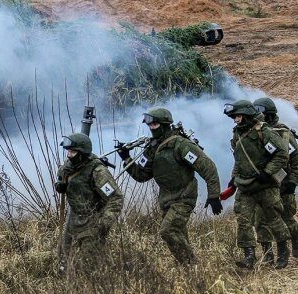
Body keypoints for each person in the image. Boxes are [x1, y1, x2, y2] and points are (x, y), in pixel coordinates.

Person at [117, 107, 222, 265]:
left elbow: (208, 168)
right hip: (166, 199)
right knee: (178, 233)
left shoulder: (181, 145)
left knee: (168, 230)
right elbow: (141, 175)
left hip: (184, 197)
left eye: (155, 125)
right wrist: (126, 158)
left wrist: (214, 195)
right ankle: (188, 269)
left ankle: (191, 264)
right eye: (150, 125)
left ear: (164, 124)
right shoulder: (152, 148)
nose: (152, 128)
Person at [224, 100, 291, 269]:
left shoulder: (265, 132)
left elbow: (282, 154)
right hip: (245, 186)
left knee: (274, 219)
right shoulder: (237, 134)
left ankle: (283, 252)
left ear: (247, 114)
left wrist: (267, 172)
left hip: (265, 185)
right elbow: (239, 160)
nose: (236, 120)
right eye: (234, 117)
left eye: (238, 116)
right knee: (243, 220)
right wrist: (233, 179)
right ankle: (249, 256)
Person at [55, 133, 123, 271]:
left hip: (93, 219)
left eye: (73, 152)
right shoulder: (69, 166)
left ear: (82, 153)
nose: (69, 155)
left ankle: (99, 286)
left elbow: (116, 198)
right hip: (74, 219)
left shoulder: (98, 172)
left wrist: (104, 223)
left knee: (89, 264)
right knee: (66, 259)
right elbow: (62, 175)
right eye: (68, 151)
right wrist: (60, 185)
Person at [252, 97, 298, 263]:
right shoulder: (256, 133)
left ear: (268, 115)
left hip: (284, 183)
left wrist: (292, 182)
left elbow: (295, 161)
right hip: (264, 184)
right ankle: (267, 255)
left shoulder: (284, 134)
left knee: (285, 219)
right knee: (260, 220)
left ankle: (294, 244)